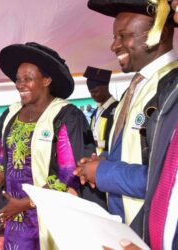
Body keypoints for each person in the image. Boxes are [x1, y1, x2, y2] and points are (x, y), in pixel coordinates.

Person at [74, 0, 178, 236]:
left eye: (124, 36)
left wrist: (102, 172)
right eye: (114, 36)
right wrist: (98, 162)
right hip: (124, 227)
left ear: (159, 34)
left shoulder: (172, 90)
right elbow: (134, 151)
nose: (113, 45)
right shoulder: (137, 87)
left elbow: (168, 180)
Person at [0, 42, 105, 249]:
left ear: (46, 80)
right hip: (14, 215)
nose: (20, 84)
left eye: (28, 79)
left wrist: (26, 203)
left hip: (52, 216)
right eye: (18, 79)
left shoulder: (65, 116)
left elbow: (70, 172)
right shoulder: (10, 115)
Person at [83, 66, 118, 154]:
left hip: (110, 160)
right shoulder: (96, 111)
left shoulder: (118, 108)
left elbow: (118, 141)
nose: (92, 96)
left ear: (105, 87)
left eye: (95, 91)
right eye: (91, 93)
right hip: (95, 158)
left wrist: (95, 143)